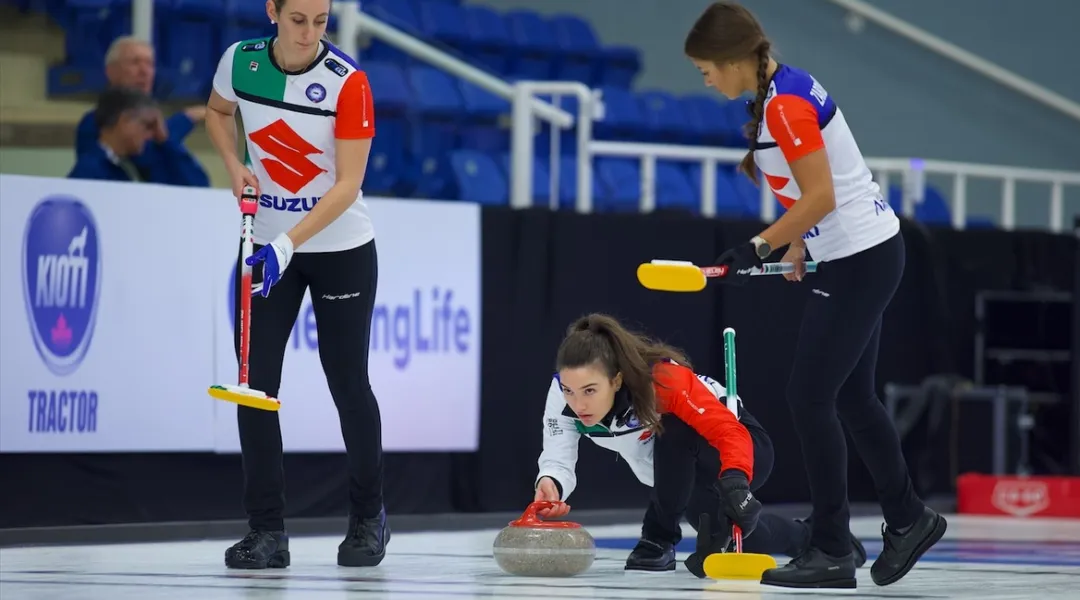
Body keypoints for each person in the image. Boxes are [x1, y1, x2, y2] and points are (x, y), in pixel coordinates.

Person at [683, 1, 946, 590]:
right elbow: (820, 191)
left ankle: (830, 548)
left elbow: (823, 194)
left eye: (706, 70)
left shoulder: (787, 107)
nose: (704, 81)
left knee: (808, 397)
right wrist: (799, 242)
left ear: (731, 61)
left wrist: (762, 243)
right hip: (863, 250)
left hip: (860, 257)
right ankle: (908, 517)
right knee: (851, 397)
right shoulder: (781, 91)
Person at [204, 0, 386, 570]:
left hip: (339, 251)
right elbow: (215, 112)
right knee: (253, 388)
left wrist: (288, 243)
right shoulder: (240, 62)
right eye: (298, 19)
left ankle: (367, 519)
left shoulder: (348, 84)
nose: (309, 33)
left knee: (348, 385)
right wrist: (234, 166)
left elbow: (347, 184)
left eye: (320, 21)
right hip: (263, 251)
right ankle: (267, 532)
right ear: (272, 12)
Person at [533, 313, 866, 576]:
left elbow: (728, 432)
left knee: (675, 428)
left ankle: (658, 539)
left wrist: (735, 481)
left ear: (616, 380)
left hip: (739, 449)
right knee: (744, 536)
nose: (578, 404)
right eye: (569, 391)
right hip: (677, 477)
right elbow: (558, 454)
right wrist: (551, 484)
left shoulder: (663, 382)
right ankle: (814, 539)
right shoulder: (562, 395)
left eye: (590, 391)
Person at [75, 36, 209, 187]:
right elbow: (145, 153)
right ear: (110, 71)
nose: (144, 71)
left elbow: (199, 186)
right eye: (135, 62)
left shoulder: (161, 139)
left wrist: (169, 136)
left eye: (150, 64)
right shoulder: (94, 123)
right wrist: (184, 119)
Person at [68, 86, 162, 182]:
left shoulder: (123, 169)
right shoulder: (89, 172)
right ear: (125, 121)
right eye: (146, 126)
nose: (149, 136)